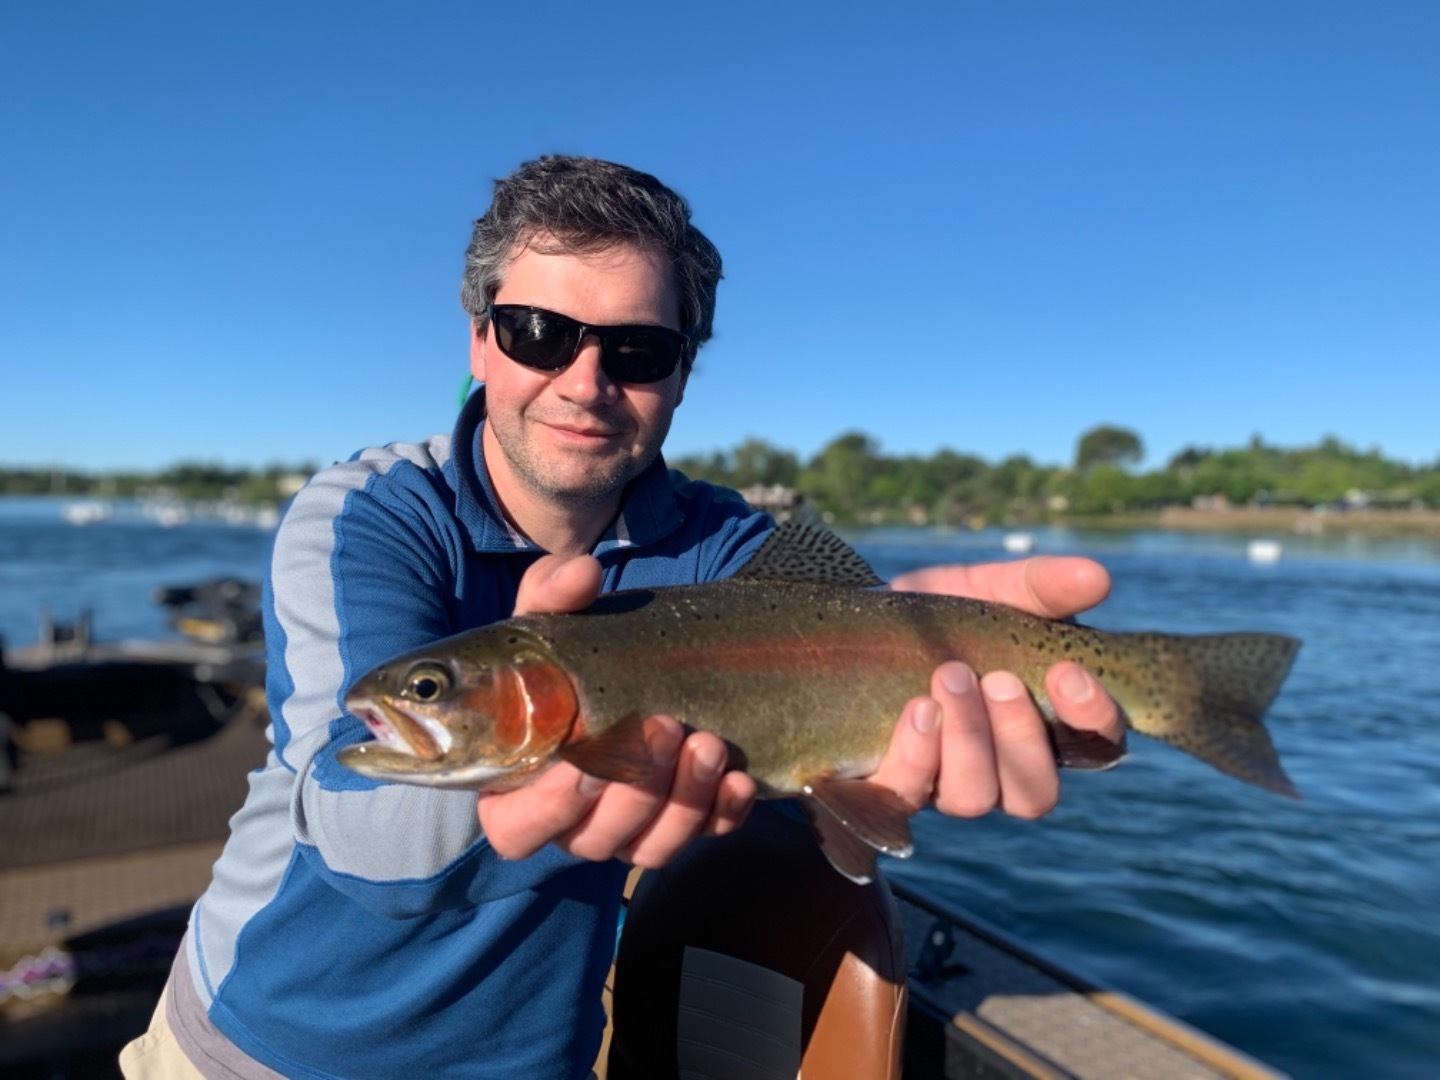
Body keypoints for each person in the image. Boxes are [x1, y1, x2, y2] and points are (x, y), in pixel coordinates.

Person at [121, 155, 1123, 1079]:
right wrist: (542, 777)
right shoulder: (368, 515)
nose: (586, 382)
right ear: (479, 340)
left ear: (685, 372)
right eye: (539, 333)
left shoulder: (731, 547)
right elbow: (345, 817)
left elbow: (849, 646)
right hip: (256, 1053)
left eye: (638, 350)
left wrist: (963, 673)